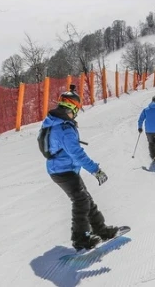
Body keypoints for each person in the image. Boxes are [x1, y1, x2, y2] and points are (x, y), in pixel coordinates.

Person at [39, 89, 119, 250]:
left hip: (64, 168)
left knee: (86, 199)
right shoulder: (64, 129)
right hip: (62, 171)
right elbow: (77, 155)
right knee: (81, 200)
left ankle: (101, 230)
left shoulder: (55, 122)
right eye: (76, 109)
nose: (76, 114)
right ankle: (80, 239)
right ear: (72, 108)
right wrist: (96, 170)